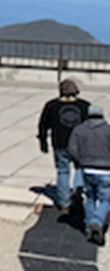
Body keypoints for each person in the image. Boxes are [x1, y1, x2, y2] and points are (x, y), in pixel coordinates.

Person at [38, 79, 90, 213]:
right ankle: (78, 191)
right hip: (79, 144)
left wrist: (43, 141)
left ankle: (64, 203)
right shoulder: (85, 106)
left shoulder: (51, 106)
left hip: (60, 143)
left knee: (63, 171)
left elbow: (43, 125)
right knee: (80, 168)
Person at [68, 104, 110, 245]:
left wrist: (80, 160)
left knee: (90, 197)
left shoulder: (79, 130)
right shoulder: (108, 130)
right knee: (105, 200)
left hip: (87, 169)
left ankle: (89, 228)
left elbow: (72, 148)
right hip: (105, 170)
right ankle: (97, 222)